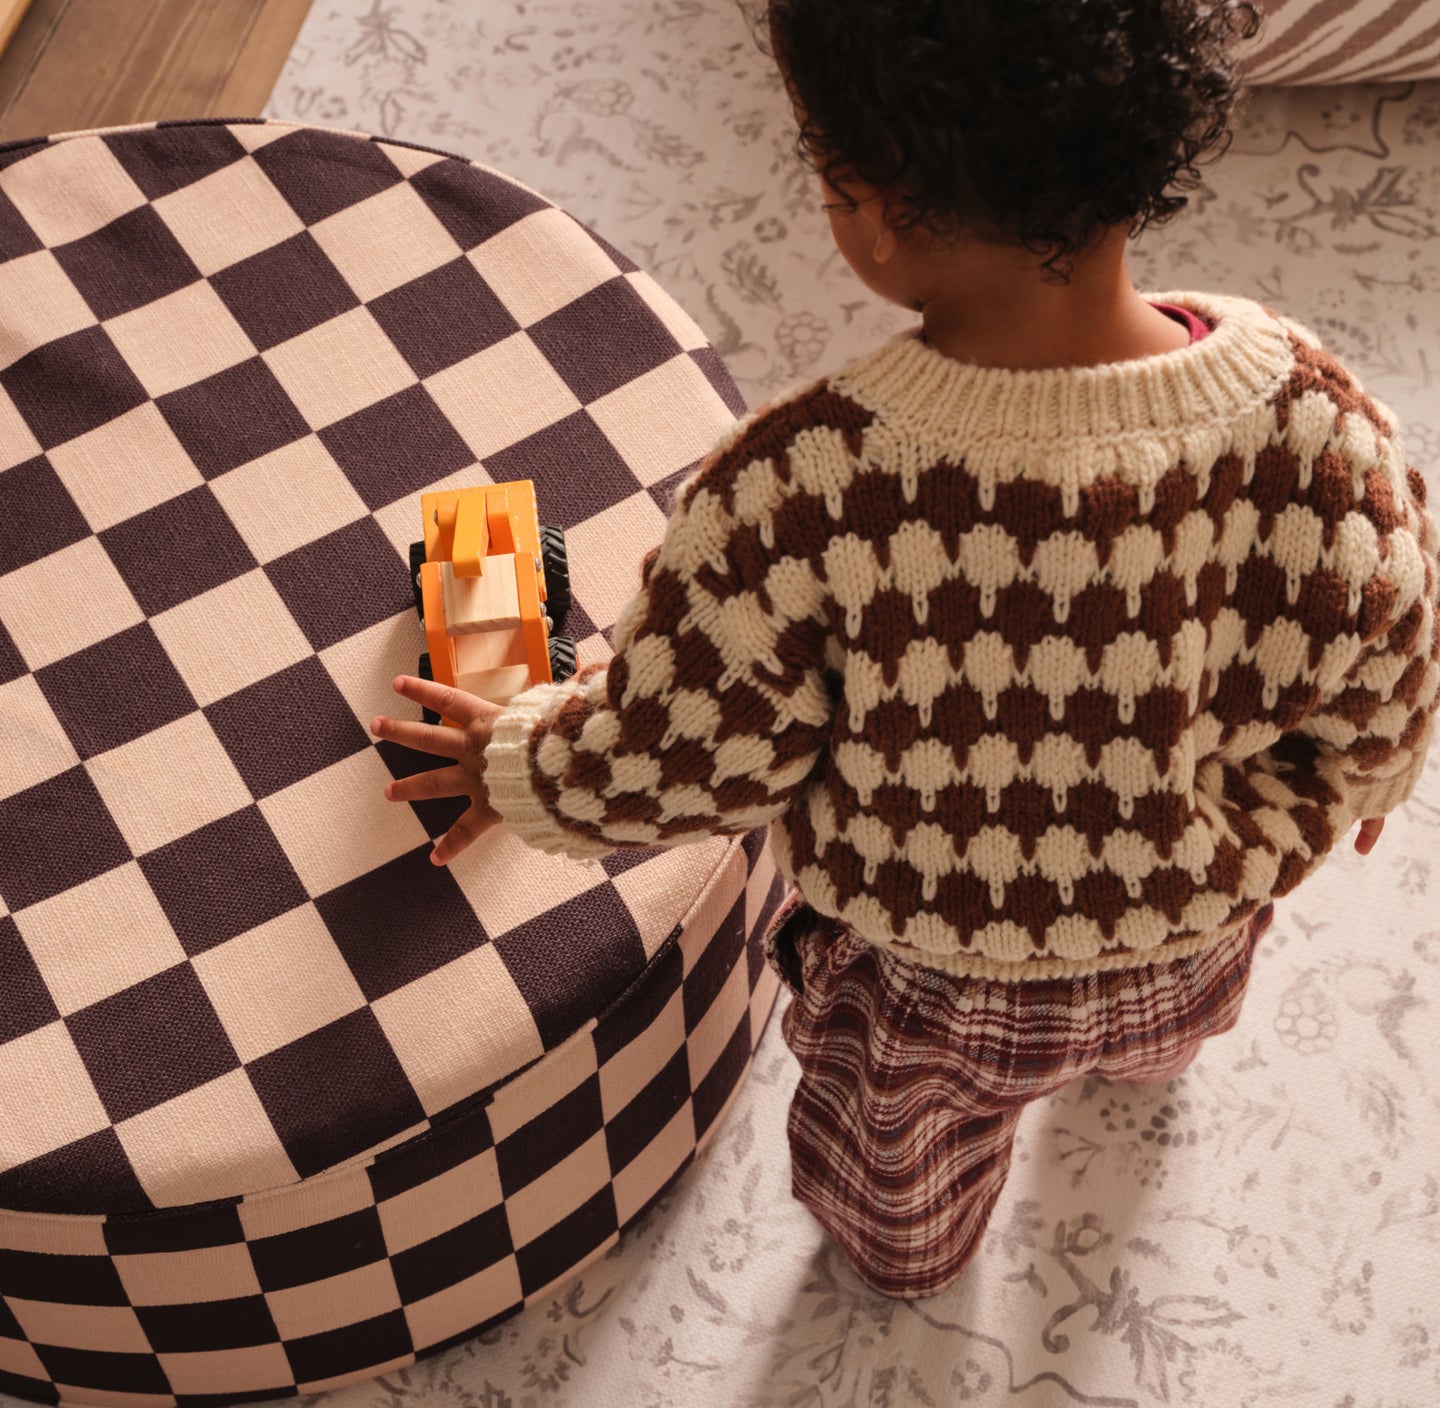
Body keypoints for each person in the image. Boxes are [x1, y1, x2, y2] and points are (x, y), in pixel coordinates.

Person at [370, 0, 1438, 1302]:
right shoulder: (1316, 416)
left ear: (867, 209)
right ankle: (1145, 1063)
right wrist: (1378, 766)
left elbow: (690, 750)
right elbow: (1390, 629)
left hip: (931, 971)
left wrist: (521, 765)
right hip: (1190, 922)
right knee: (1164, 1022)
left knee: (897, 1159)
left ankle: (910, 1255)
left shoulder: (805, 488)